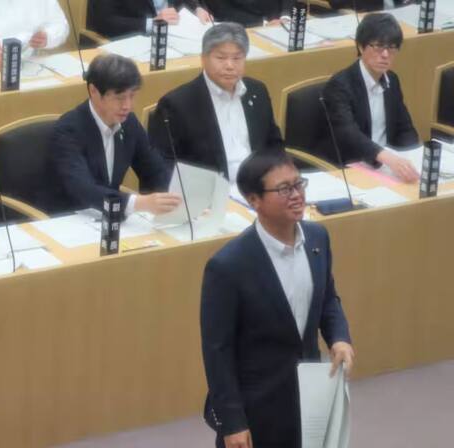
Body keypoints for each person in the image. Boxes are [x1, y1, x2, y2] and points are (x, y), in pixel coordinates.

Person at [200, 150, 354, 448]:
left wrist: (339, 337)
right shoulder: (228, 266)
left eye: (298, 184)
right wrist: (233, 422)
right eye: (284, 189)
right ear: (254, 200)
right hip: (256, 408)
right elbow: (217, 352)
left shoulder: (317, 239)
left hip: (309, 398)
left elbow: (327, 299)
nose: (296, 195)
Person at [149, 22, 283, 183]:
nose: (230, 66)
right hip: (210, 191)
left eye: (237, 58)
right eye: (221, 58)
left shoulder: (257, 91)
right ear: (203, 59)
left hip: (258, 186)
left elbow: (274, 144)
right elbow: (163, 165)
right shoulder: (177, 104)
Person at [49, 54, 180, 217]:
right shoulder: (68, 129)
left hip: (110, 216)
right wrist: (139, 203)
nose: (127, 106)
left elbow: (154, 169)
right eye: (119, 98)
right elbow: (83, 189)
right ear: (94, 91)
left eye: (132, 96)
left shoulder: (129, 122)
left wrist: (177, 199)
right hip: (70, 217)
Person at [320, 13, 420, 183]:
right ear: (361, 47)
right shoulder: (339, 85)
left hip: (386, 166)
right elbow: (348, 134)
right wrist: (386, 157)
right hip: (352, 166)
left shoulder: (392, 80)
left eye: (392, 48)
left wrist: (413, 156)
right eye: (379, 47)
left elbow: (405, 128)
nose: (386, 55)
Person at [87, 0, 212, 39]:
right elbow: (105, 21)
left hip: (174, 38)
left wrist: (196, 9)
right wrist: (152, 24)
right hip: (131, 42)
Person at [202, 0, 293, 27]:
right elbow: (223, 10)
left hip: (283, 23)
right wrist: (263, 23)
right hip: (245, 29)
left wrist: (285, 17)